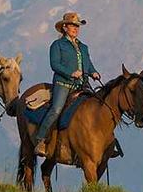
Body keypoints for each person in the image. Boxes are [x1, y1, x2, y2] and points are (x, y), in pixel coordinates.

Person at [34, 11, 101, 157]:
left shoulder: (83, 47)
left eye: (77, 26)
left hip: (82, 85)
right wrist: (70, 73)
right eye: (72, 25)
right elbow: (55, 64)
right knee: (56, 109)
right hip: (63, 84)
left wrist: (94, 72)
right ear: (65, 27)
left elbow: (87, 64)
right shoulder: (57, 45)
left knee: (98, 108)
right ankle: (41, 140)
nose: (76, 28)